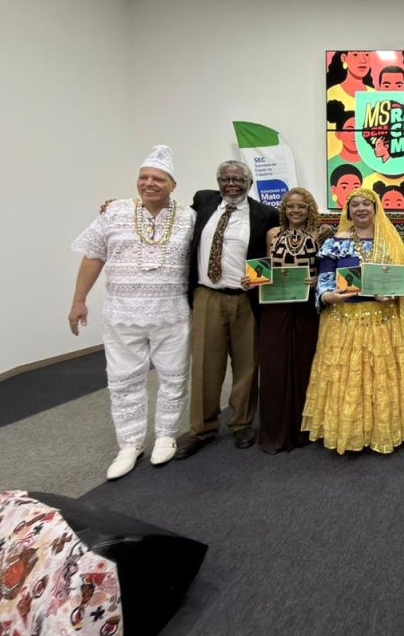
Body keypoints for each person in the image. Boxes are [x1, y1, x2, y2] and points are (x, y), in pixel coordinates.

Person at [69, 145, 195, 479]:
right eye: (144, 177)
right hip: (122, 315)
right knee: (124, 381)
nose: (149, 183)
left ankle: (166, 435)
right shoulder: (114, 212)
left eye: (158, 179)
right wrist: (79, 300)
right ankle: (129, 444)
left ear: (173, 185)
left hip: (172, 314)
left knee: (174, 378)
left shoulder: (189, 217)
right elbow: (93, 256)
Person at [302, 187, 404, 454]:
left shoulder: (389, 241)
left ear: (375, 209)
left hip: (382, 321)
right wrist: (328, 296)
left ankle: (382, 431)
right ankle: (348, 432)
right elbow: (325, 278)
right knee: (347, 379)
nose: (360, 208)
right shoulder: (336, 242)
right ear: (348, 211)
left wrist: (392, 294)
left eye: (366, 204)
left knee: (381, 378)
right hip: (344, 322)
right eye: (355, 204)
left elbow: (400, 280)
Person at [175, 161, 280, 459]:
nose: (231, 184)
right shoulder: (203, 201)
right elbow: (169, 211)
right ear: (218, 181)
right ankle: (202, 428)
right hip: (207, 296)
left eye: (238, 179)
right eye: (225, 179)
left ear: (249, 183)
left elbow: (276, 253)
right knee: (205, 365)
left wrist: (260, 278)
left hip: (246, 299)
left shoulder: (265, 214)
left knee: (247, 366)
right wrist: (125, 205)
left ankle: (241, 423)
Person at [251, 188, 332, 454]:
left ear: (310, 209)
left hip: (307, 308)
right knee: (274, 364)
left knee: (305, 363)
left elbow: (328, 269)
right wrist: (252, 279)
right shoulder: (272, 234)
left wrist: (319, 278)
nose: (295, 211)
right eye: (290, 206)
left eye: (301, 206)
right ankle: (276, 430)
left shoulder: (322, 234)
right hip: (275, 306)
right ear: (284, 209)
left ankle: (304, 429)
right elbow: (267, 267)